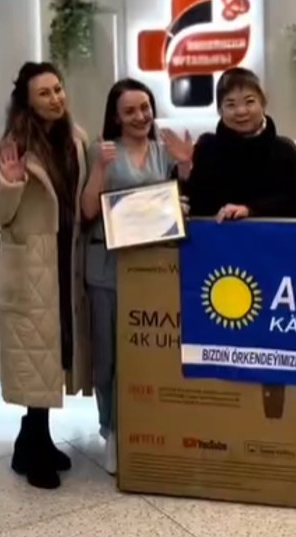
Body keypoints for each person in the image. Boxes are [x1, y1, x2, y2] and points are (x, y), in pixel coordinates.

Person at [0, 62, 92, 490]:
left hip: (66, 259)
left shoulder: (76, 139)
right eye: (44, 93)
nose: (55, 98)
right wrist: (8, 184)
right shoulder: (13, 145)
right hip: (32, 265)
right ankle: (34, 447)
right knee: (36, 357)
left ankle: (31, 442)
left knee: (54, 354)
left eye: (58, 89)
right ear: (27, 102)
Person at [81, 77, 193, 475]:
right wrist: (100, 168)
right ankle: (112, 431)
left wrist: (185, 167)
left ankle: (145, 430)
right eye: (129, 110)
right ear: (116, 116)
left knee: (147, 356)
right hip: (108, 269)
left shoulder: (165, 151)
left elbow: (179, 205)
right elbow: (87, 211)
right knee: (108, 358)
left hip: (152, 271)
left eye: (144, 107)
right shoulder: (102, 150)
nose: (140, 116)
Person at [186, 67, 296, 220]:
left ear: (263, 103)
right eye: (231, 104)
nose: (241, 111)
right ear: (220, 110)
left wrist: (251, 210)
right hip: (218, 234)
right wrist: (184, 166)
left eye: (249, 102)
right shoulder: (207, 148)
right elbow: (194, 205)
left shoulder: (285, 151)